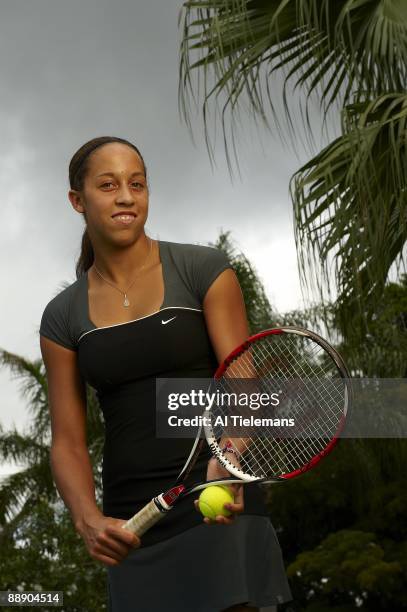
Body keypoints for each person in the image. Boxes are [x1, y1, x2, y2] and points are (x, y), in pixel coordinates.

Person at [39, 136, 292, 612]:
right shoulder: (61, 316)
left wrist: (228, 463)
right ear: (78, 200)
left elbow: (245, 385)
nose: (126, 196)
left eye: (137, 184)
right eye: (108, 185)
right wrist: (88, 520)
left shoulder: (203, 269)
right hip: (134, 518)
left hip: (216, 493)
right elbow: (68, 441)